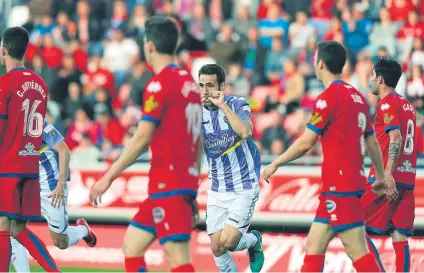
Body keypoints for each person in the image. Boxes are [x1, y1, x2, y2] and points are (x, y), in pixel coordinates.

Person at [262, 41, 398, 272]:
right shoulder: (357, 96)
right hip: (344, 183)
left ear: (320, 64)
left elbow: (306, 142)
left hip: (340, 185)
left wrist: (275, 162)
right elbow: (371, 140)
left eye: (315, 59)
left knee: (356, 249)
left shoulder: (328, 98)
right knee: (314, 244)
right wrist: (382, 176)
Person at [89, 15, 202, 272]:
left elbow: (142, 137)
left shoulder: (160, 83)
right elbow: (198, 140)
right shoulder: (190, 84)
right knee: (132, 246)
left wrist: (108, 177)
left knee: (177, 258)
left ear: (149, 45)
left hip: (169, 182)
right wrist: (192, 187)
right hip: (175, 184)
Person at [0, 27, 59, 272]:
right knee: (19, 230)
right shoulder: (41, 84)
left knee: (3, 228)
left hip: (8, 165)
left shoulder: (5, 83)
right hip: (29, 166)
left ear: (3, 50)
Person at [198, 64, 264, 273]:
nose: (205, 91)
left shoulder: (237, 104)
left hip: (244, 185)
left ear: (222, 86)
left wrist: (223, 106)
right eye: (201, 86)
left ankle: (253, 241)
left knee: (229, 241)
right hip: (217, 188)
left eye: (210, 85)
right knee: (217, 247)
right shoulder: (196, 114)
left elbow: (246, 131)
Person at [10, 119, 97, 272]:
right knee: (13, 229)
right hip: (27, 185)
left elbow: (64, 150)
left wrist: (60, 184)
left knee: (60, 242)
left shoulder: (35, 121)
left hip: (51, 187)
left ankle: (83, 230)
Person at [361, 57, 417, 272]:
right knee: (399, 235)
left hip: (384, 178)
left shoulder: (387, 103)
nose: (371, 81)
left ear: (381, 79)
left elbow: (395, 137)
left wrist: (387, 174)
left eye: (373, 76)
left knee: (353, 224)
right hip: (407, 179)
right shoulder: (408, 105)